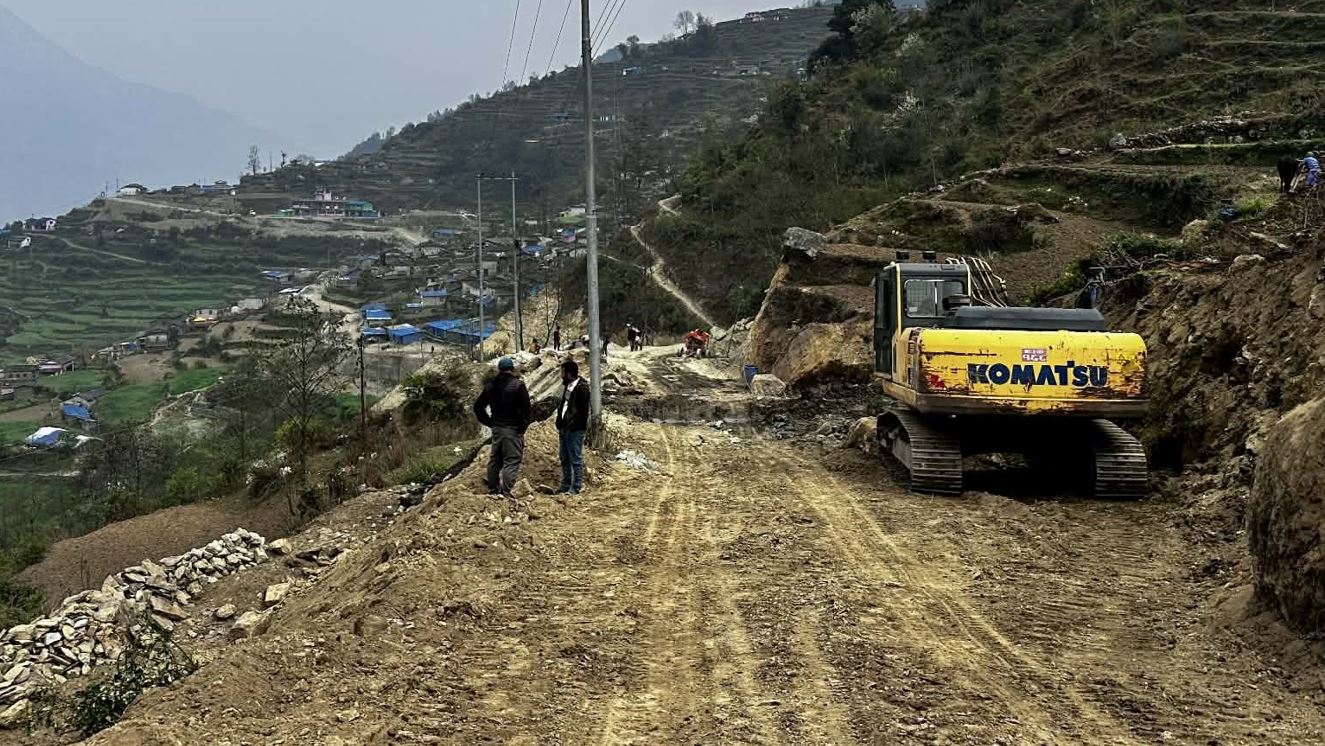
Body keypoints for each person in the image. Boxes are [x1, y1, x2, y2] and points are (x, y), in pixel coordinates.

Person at [473, 357, 531, 497]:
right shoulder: (518, 386)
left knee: (495, 459)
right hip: (512, 429)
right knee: (511, 460)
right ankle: (507, 492)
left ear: (499, 370)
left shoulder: (491, 386)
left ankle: (493, 489)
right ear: (512, 369)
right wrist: (522, 427)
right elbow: (527, 410)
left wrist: (489, 422)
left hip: (497, 428)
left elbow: (478, 407)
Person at [555, 360, 590, 494]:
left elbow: (582, 413)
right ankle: (565, 484)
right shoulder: (568, 386)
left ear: (569, 374)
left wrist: (573, 426)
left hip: (575, 430)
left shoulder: (582, 388)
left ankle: (576, 486)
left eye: (562, 372)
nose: (561, 375)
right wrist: (560, 422)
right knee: (564, 458)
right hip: (565, 428)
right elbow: (565, 406)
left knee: (575, 458)